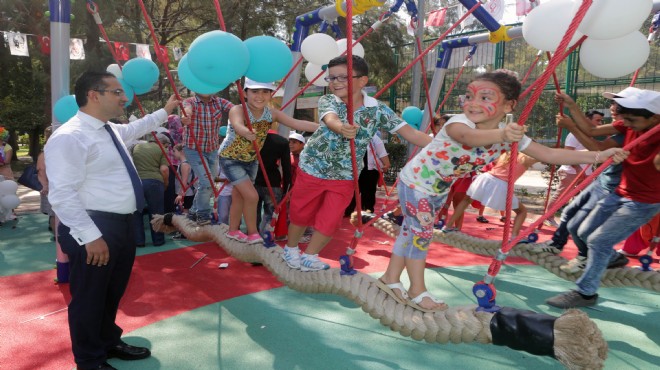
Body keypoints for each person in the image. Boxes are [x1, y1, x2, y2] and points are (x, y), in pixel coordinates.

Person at [378, 70, 627, 312]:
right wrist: (503, 134)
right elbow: (468, 137)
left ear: (508, 106)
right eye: (469, 95)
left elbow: (549, 154)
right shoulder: (459, 122)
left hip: (437, 188)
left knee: (412, 232)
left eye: (485, 98)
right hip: (417, 183)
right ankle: (417, 291)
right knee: (421, 235)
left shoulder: (509, 132)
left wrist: (599, 154)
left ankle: (390, 277)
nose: (473, 103)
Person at [45, 70, 181, 370]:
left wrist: (166, 109)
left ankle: (107, 341)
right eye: (116, 92)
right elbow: (62, 194)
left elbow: (137, 126)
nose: (124, 97)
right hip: (94, 227)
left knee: (111, 291)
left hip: (120, 224)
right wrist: (89, 236)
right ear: (94, 95)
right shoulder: (70, 136)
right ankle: (89, 360)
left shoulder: (109, 130)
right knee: (89, 297)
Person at [282, 55, 434, 272]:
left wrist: (441, 144)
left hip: (345, 173)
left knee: (331, 218)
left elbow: (409, 132)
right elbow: (330, 118)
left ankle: (310, 255)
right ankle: (291, 248)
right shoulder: (329, 100)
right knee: (301, 213)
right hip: (314, 167)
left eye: (343, 77)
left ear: (362, 81)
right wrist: (341, 127)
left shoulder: (377, 110)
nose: (335, 82)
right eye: (331, 78)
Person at [546, 89, 660, 308]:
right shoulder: (630, 124)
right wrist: (570, 103)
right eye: (624, 118)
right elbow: (592, 129)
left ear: (654, 118)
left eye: (632, 120)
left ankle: (586, 292)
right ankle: (609, 259)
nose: (626, 124)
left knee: (599, 240)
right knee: (580, 230)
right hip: (620, 191)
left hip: (642, 202)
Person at [530, 90, 633, 274]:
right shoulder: (623, 125)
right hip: (604, 179)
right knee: (570, 211)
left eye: (617, 105)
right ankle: (557, 243)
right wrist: (570, 104)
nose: (612, 108)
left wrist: (571, 126)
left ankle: (592, 257)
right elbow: (591, 130)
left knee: (581, 227)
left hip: (613, 186)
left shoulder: (630, 132)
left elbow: (598, 149)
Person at [219, 79, 318, 244]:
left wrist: (324, 126)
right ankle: (252, 233)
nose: (260, 96)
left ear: (270, 94)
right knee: (252, 196)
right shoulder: (238, 109)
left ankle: (233, 230)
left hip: (251, 160)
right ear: (245, 93)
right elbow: (237, 125)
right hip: (231, 159)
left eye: (265, 91)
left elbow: (296, 122)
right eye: (255, 91)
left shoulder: (272, 113)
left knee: (239, 195)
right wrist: (245, 132)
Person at [444, 152, 539, 241]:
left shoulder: (506, 153)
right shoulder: (527, 157)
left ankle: (448, 226)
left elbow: (491, 160)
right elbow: (547, 157)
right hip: (501, 184)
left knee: (466, 200)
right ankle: (514, 236)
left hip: (486, 178)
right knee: (521, 211)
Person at [180, 89, 233, 226]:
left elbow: (234, 109)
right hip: (193, 148)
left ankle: (193, 211)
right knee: (206, 182)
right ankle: (203, 214)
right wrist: (186, 117)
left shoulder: (219, 102)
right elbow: (187, 110)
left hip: (212, 149)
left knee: (209, 183)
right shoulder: (190, 101)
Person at [131, 132, 171, 247]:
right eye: (167, 145)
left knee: (137, 212)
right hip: (154, 181)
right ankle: (158, 240)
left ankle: (139, 241)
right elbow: (164, 170)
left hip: (137, 182)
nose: (167, 148)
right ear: (162, 143)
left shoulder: (136, 147)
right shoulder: (162, 150)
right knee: (156, 212)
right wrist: (166, 184)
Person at [254, 123, 291, 235]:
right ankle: (266, 236)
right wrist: (286, 189)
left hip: (254, 180)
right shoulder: (282, 141)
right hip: (273, 182)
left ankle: (253, 234)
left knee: (252, 211)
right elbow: (286, 167)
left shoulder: (253, 139)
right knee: (270, 213)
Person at [344, 134, 390, 216]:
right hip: (354, 170)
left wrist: (386, 164)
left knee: (368, 193)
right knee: (352, 191)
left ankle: (367, 212)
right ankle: (348, 211)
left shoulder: (374, 138)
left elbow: (382, 153)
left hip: (369, 170)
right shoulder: (352, 135)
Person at [37, 126, 56, 234]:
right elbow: (41, 170)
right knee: (54, 213)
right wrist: (45, 186)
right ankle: (57, 238)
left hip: (58, 186)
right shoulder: (45, 153)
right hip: (51, 187)